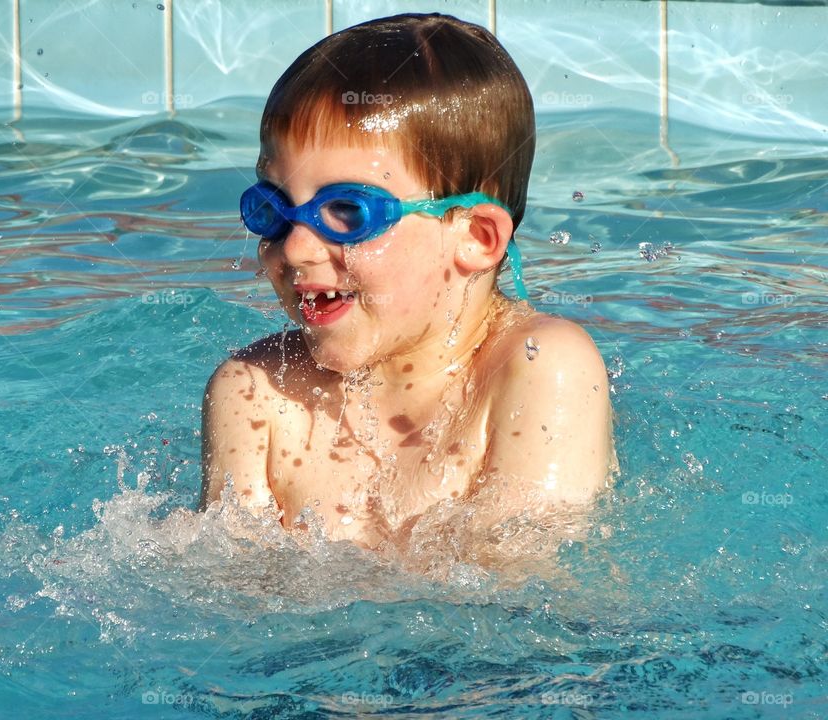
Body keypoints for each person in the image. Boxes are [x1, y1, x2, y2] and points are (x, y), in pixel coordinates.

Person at [200, 12, 617, 553]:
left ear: (477, 236)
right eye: (273, 209)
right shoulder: (254, 393)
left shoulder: (542, 366)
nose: (295, 248)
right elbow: (228, 602)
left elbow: (518, 592)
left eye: (347, 210)